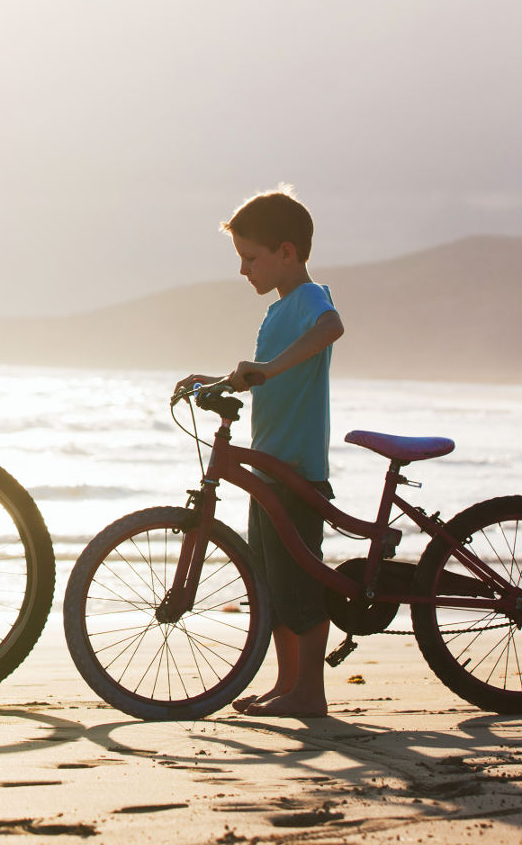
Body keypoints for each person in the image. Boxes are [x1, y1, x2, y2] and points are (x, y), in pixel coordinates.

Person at [175, 187, 345, 718]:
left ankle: (310, 694)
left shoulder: (310, 298)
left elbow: (331, 328)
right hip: (268, 466)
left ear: (287, 253)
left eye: (251, 258)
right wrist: (216, 379)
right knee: (272, 587)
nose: (244, 270)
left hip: (295, 470)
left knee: (301, 585)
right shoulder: (276, 313)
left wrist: (267, 370)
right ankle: (285, 684)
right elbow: (259, 372)